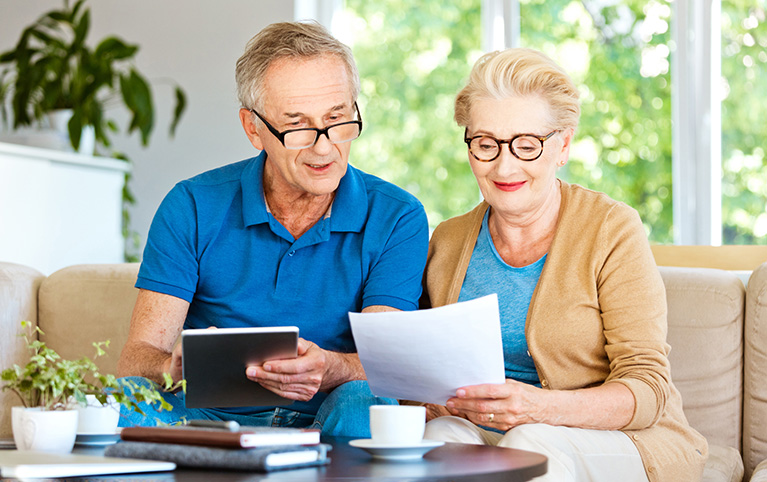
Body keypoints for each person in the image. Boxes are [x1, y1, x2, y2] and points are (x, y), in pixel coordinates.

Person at [115, 21, 429, 437]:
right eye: (298, 126)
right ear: (253, 128)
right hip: (205, 417)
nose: (324, 147)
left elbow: (386, 361)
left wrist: (330, 366)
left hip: (327, 415)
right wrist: (167, 365)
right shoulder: (191, 204)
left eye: (337, 118)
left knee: (368, 402)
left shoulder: (398, 216)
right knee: (127, 400)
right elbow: (136, 359)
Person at [420, 48, 707, 481]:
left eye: (527, 145)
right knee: (437, 437)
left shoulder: (612, 228)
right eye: (485, 144)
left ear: (563, 145)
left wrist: (537, 409)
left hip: (622, 441)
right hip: (490, 433)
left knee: (529, 445)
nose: (504, 164)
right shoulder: (448, 238)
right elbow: (425, 366)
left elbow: (648, 389)